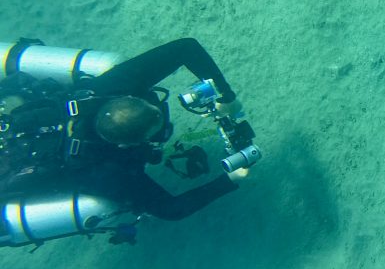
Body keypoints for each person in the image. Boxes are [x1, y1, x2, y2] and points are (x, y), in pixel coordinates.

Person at [0, 37, 255, 244]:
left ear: (127, 99)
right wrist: (229, 180)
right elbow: (170, 209)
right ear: (125, 146)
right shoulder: (103, 171)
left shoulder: (107, 89)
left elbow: (185, 47)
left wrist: (226, 95)